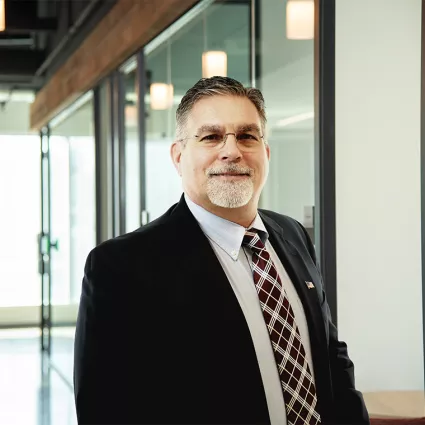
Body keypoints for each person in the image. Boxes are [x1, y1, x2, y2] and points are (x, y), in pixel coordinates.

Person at [74, 76, 370, 425]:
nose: (232, 151)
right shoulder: (120, 267)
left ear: (266, 153)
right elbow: (106, 408)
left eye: (247, 135)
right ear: (178, 155)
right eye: (211, 136)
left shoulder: (293, 235)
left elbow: (330, 355)